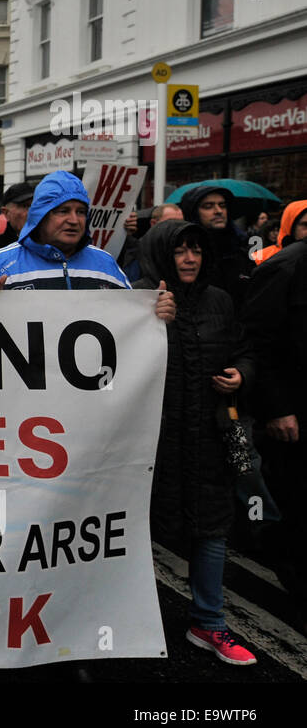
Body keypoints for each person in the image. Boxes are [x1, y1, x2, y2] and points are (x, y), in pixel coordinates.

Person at [134, 218, 258, 665]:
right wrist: (150, 320)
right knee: (138, 532)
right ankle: (132, 621)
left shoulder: (219, 300)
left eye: (197, 250)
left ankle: (209, 622)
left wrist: (241, 373)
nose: (190, 258)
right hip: (153, 446)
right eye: (181, 250)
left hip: (209, 437)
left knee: (212, 530)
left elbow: (244, 348)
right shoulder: (135, 300)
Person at [0, 170, 177, 322]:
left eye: (81, 212)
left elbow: (130, 324)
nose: (74, 220)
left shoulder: (106, 265)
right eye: (63, 211)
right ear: (40, 216)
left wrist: (154, 313)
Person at [241, 235, 307, 623]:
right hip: (293, 416)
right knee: (297, 502)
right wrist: (277, 409)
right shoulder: (284, 268)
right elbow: (257, 343)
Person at [179, 185, 255, 310]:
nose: (218, 211)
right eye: (208, 206)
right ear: (194, 212)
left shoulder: (243, 244)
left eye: (222, 205)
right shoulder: (182, 247)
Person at [251, 199, 307, 264]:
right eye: (305, 225)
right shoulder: (261, 258)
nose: (275, 234)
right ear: (290, 226)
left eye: (277, 231)